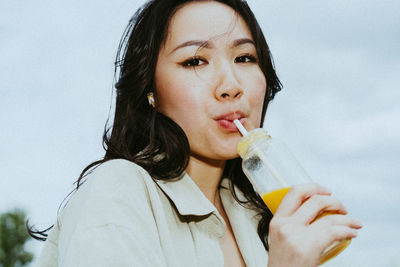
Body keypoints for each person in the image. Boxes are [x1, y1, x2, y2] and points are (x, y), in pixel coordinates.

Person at [31, 0, 362, 266]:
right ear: (151, 91)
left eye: (245, 57)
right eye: (195, 61)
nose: (231, 86)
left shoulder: (255, 214)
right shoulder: (117, 191)